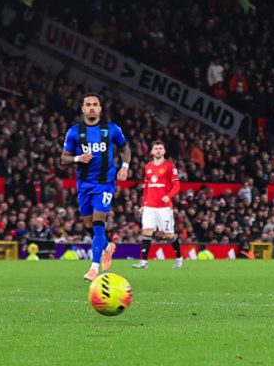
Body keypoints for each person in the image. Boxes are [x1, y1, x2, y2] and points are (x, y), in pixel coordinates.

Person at [61, 92, 131, 282]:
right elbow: (63, 158)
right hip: (84, 184)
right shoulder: (74, 132)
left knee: (99, 223)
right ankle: (107, 247)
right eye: (88, 104)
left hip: (105, 183)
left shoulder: (112, 129)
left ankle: (94, 268)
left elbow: (125, 148)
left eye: (95, 104)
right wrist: (77, 158)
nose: (91, 107)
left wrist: (124, 167)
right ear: (82, 109)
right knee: (88, 225)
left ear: (100, 108)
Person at [133, 140, 183, 269]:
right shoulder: (148, 167)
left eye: (160, 148)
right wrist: (144, 203)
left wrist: (168, 196)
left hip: (164, 207)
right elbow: (146, 187)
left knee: (168, 235)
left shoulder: (170, 166)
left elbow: (177, 185)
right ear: (151, 152)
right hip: (150, 205)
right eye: (156, 148)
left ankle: (179, 257)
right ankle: (144, 262)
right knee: (147, 231)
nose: (158, 150)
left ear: (164, 151)